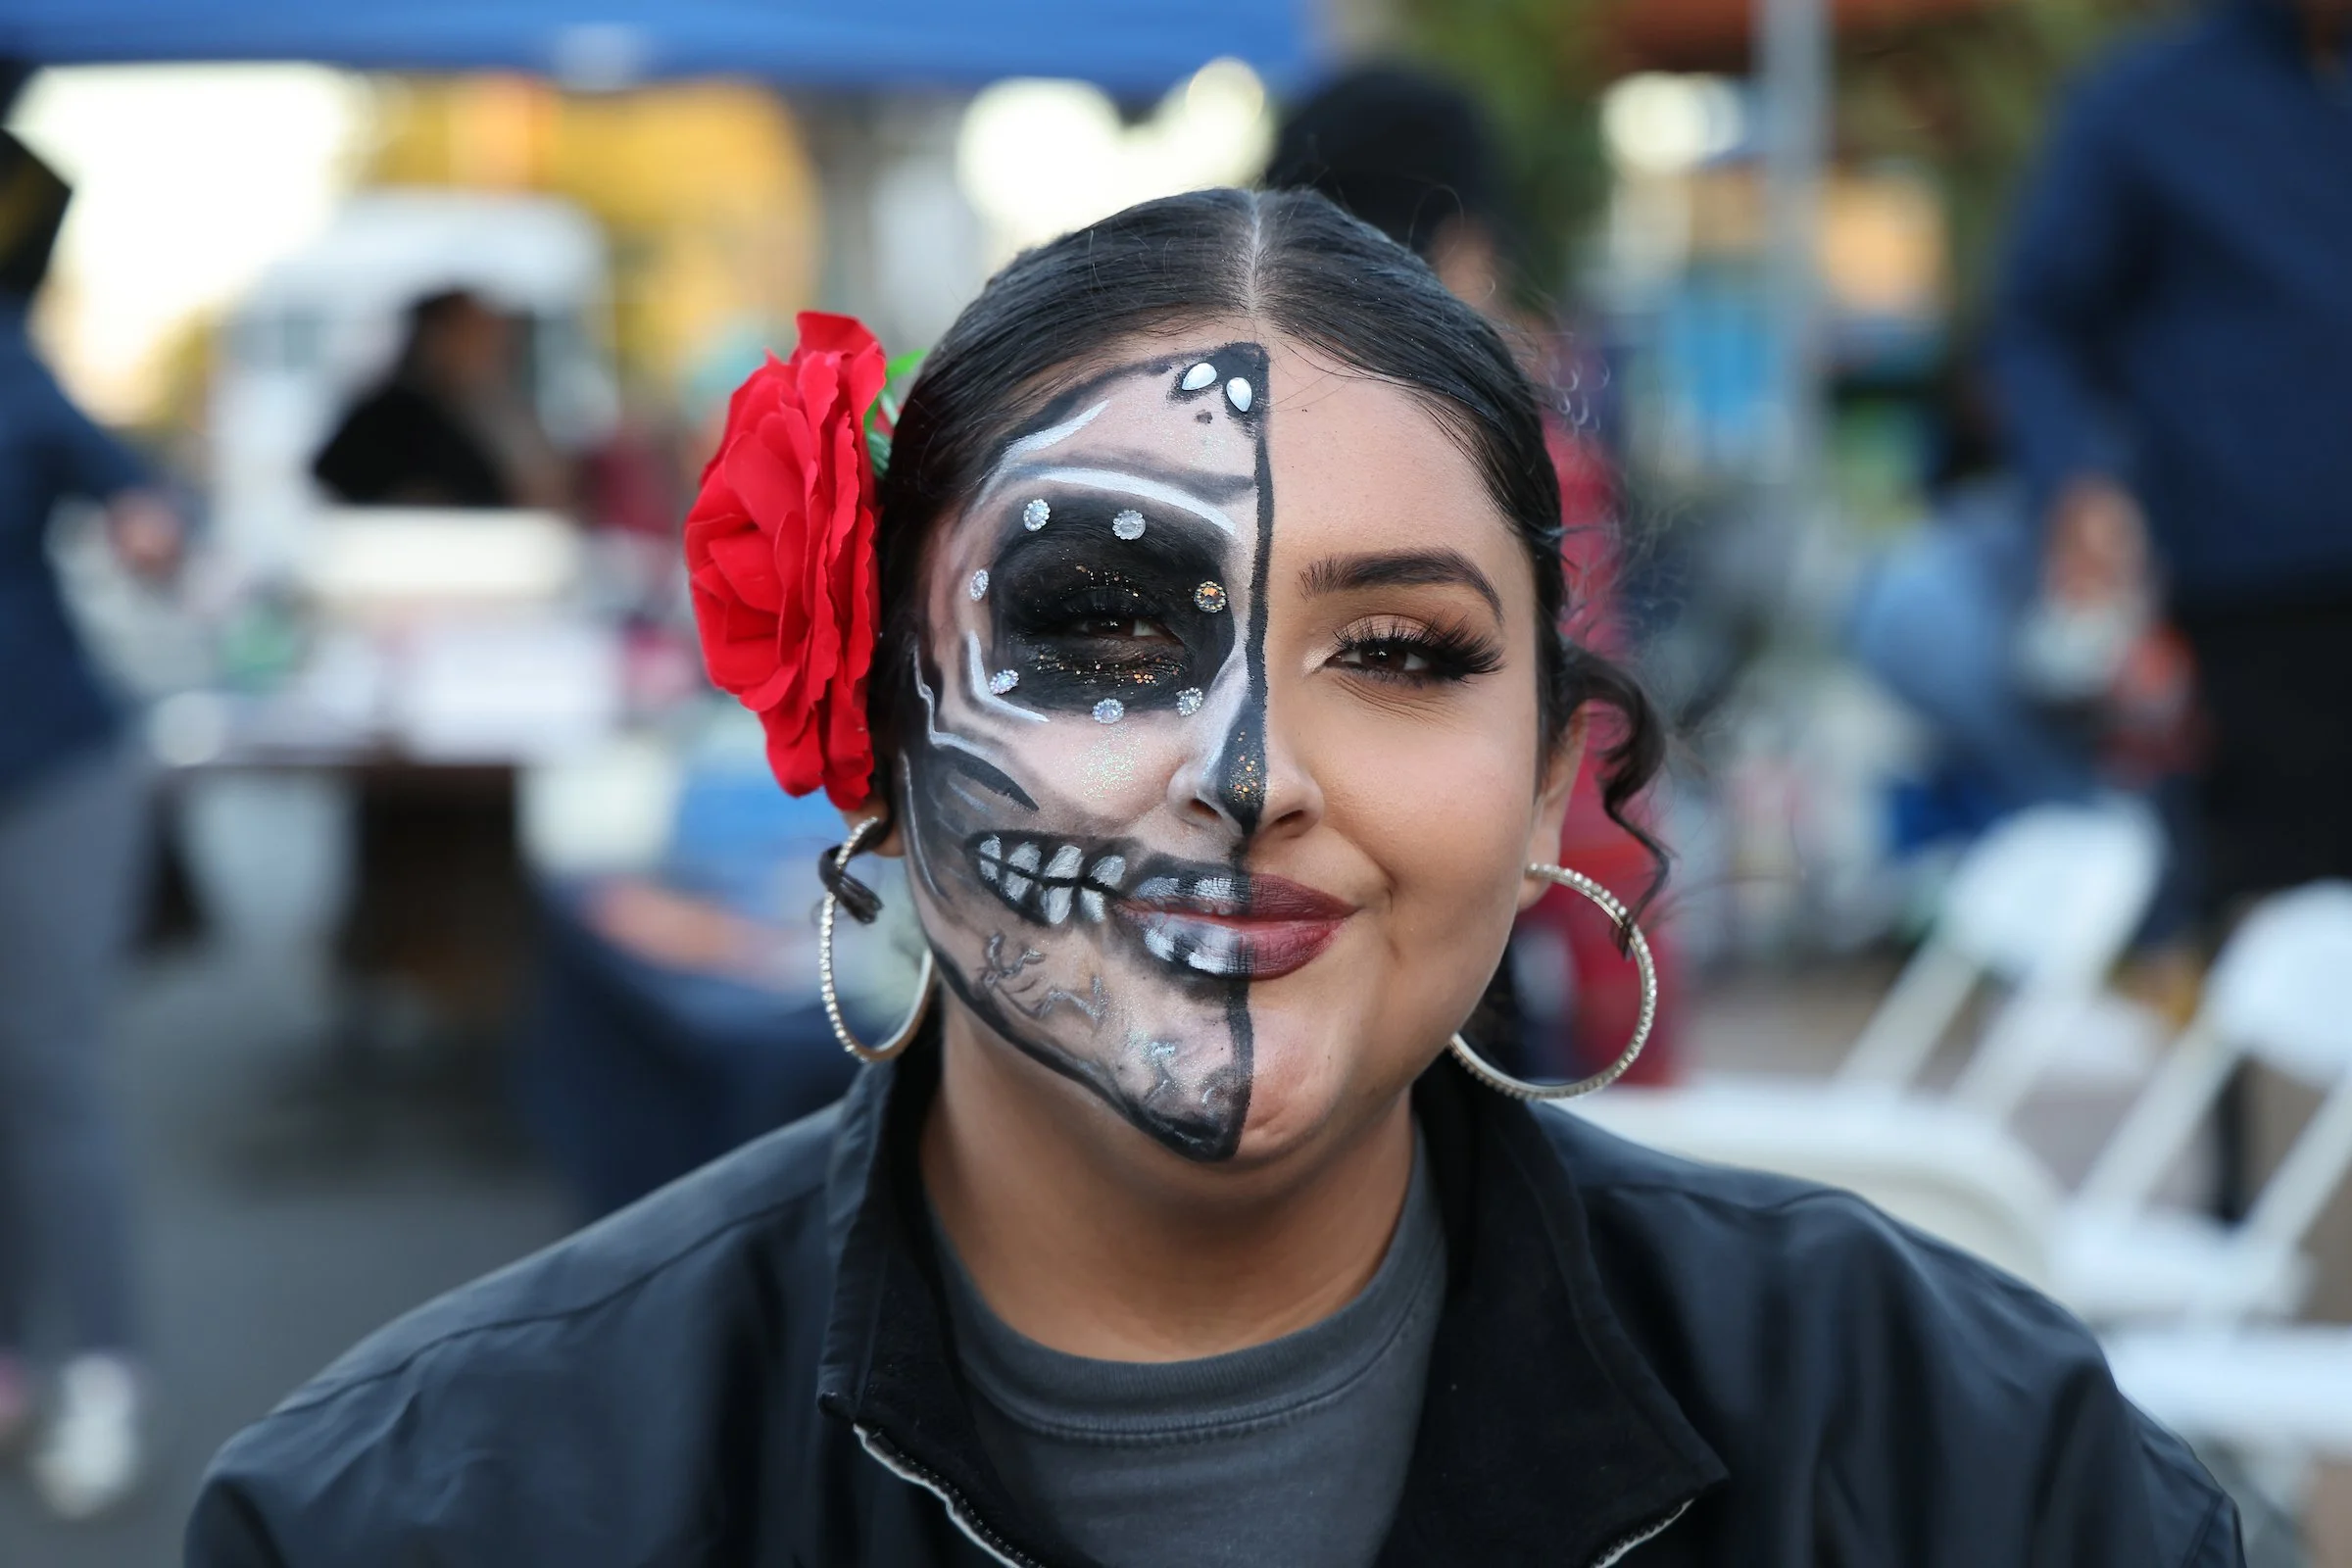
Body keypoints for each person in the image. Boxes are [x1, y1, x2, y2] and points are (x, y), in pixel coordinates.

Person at [188, 189, 2238, 1566]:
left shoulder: (1968, 1463)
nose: (1249, 772)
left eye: (1405, 650)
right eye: (1094, 627)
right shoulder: (436, 1513)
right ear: (878, 740)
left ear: (1549, 778)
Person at [1266, 66, 1678, 1087]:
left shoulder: (1203, 436)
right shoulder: (1506, 457)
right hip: (1449, 1022)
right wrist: (1644, 1049)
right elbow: (1590, 804)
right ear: (1467, 253)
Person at [1993, 0, 2352, 917]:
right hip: (2264, 595)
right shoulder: (2150, 104)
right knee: (2280, 922)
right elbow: (2037, 322)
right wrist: (2076, 482)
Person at [0, 128, 177, 1520]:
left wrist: (148, 518)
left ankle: (103, 1375)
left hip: (53, 768)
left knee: (45, 1074)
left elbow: (129, 476)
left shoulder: (9, 361)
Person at [312, 287, 569, 511]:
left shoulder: (492, 409)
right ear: (437, 336)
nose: (494, 349)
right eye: (475, 334)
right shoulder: (392, 416)